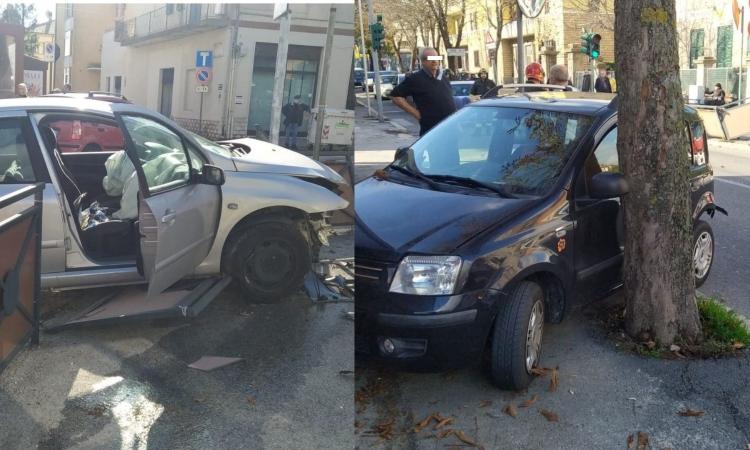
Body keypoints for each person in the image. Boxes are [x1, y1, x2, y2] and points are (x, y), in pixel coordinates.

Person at [390, 47, 456, 136]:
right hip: (431, 131)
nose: (434, 61)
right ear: (423, 62)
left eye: (436, 58)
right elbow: (395, 96)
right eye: (430, 59)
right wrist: (417, 114)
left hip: (450, 129)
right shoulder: (415, 79)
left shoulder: (443, 78)